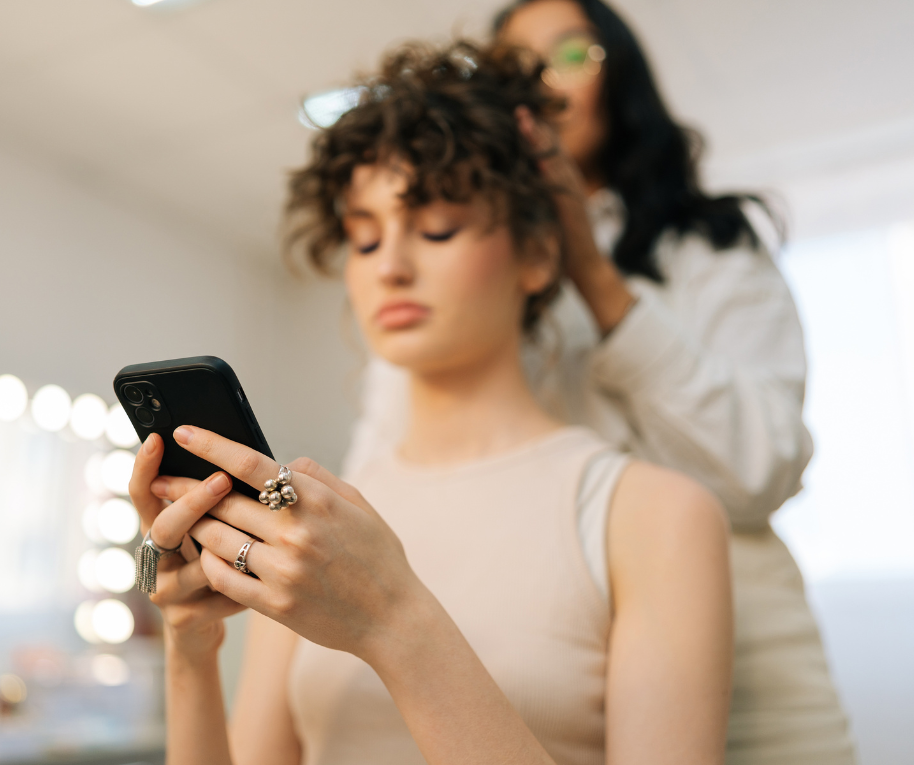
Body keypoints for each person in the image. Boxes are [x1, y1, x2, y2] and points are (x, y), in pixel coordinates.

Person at [129, 41, 733, 765]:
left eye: (438, 227)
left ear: (538, 254)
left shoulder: (656, 516)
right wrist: (190, 646)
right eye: (364, 238)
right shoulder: (314, 517)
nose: (390, 265)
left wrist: (395, 622)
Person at [344, 2, 856, 763]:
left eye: (570, 56)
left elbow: (762, 469)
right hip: (547, 666)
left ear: (621, 77)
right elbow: (389, 484)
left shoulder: (710, 246)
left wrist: (589, 267)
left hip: (753, 675)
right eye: (514, 65)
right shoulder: (446, 281)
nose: (541, 85)